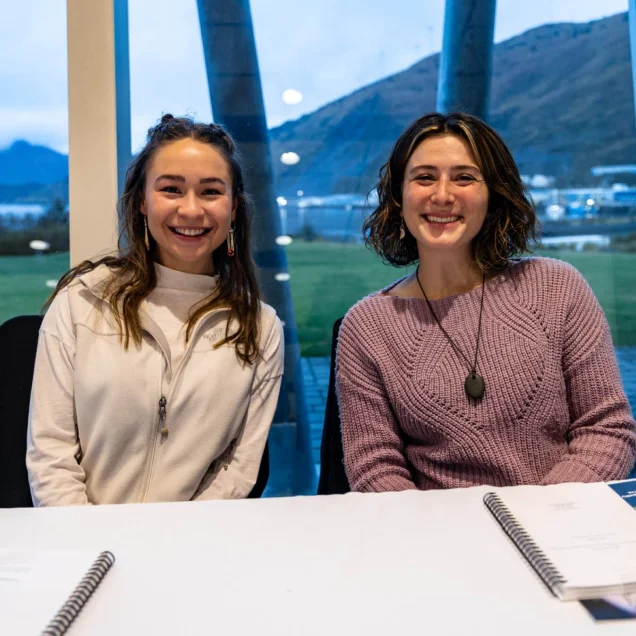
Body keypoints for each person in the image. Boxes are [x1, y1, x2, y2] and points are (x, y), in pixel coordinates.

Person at [336, 112, 636, 493]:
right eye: (424, 177)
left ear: (493, 193)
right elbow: (374, 467)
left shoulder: (557, 287)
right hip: (439, 540)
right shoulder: (367, 326)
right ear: (398, 197)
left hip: (559, 530)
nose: (442, 195)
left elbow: (606, 428)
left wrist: (538, 516)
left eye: (464, 177)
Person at [27, 114, 284, 505]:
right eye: (171, 189)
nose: (192, 210)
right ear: (143, 202)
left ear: (233, 209)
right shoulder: (80, 303)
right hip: (84, 545)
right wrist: (87, 543)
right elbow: (51, 455)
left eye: (211, 192)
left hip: (192, 545)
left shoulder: (260, 327)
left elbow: (239, 467)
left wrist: (175, 543)